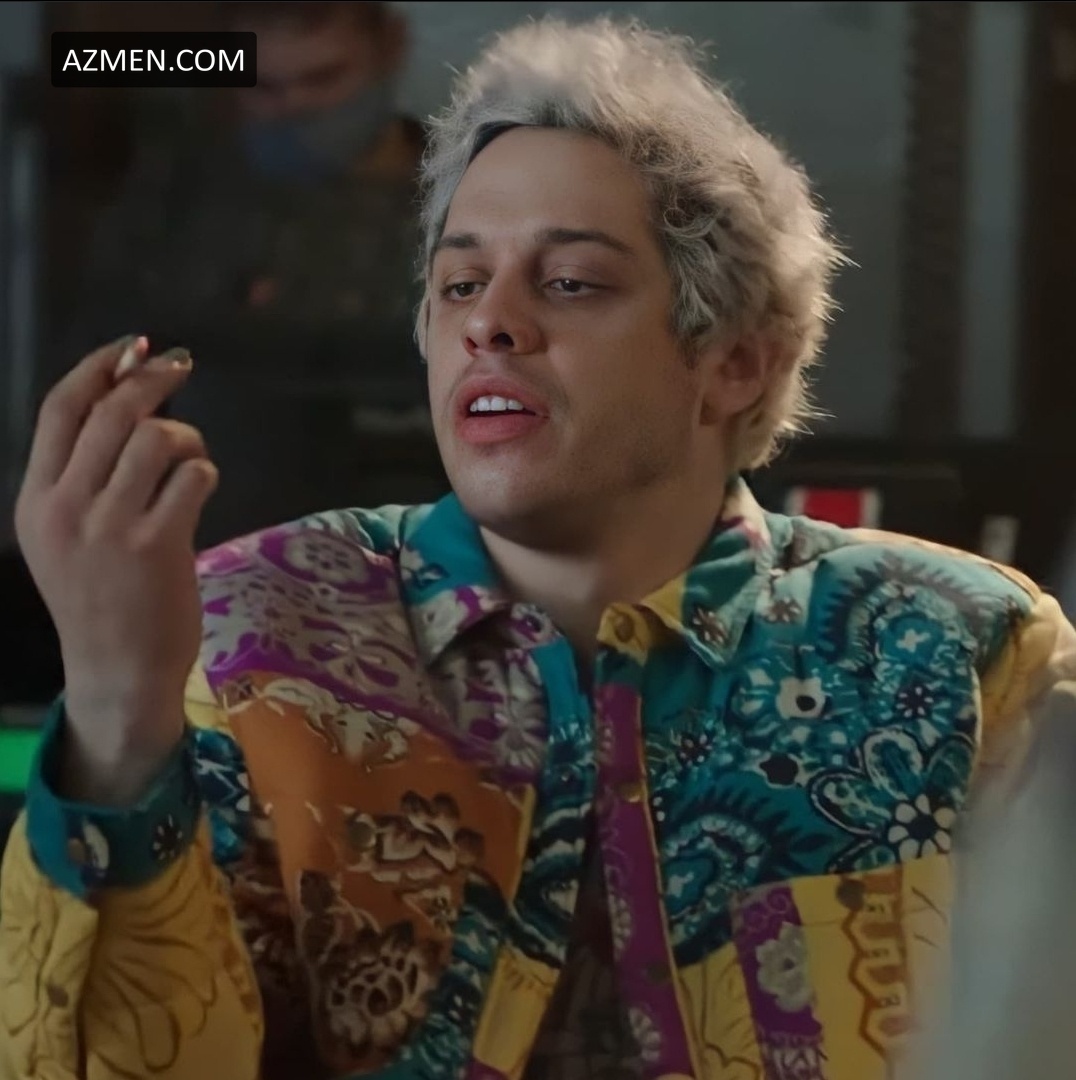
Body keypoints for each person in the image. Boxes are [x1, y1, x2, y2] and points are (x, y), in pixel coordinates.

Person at [2, 15, 1074, 1080]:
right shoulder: (248, 635)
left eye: (568, 282)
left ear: (736, 361)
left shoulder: (965, 652)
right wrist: (115, 718)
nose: (489, 324)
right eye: (460, 284)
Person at [57, 0, 438, 546]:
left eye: (323, 78)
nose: (295, 107)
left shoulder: (463, 199)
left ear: (389, 48)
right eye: (263, 87)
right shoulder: (173, 210)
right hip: (210, 551)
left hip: (420, 547)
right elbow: (94, 380)